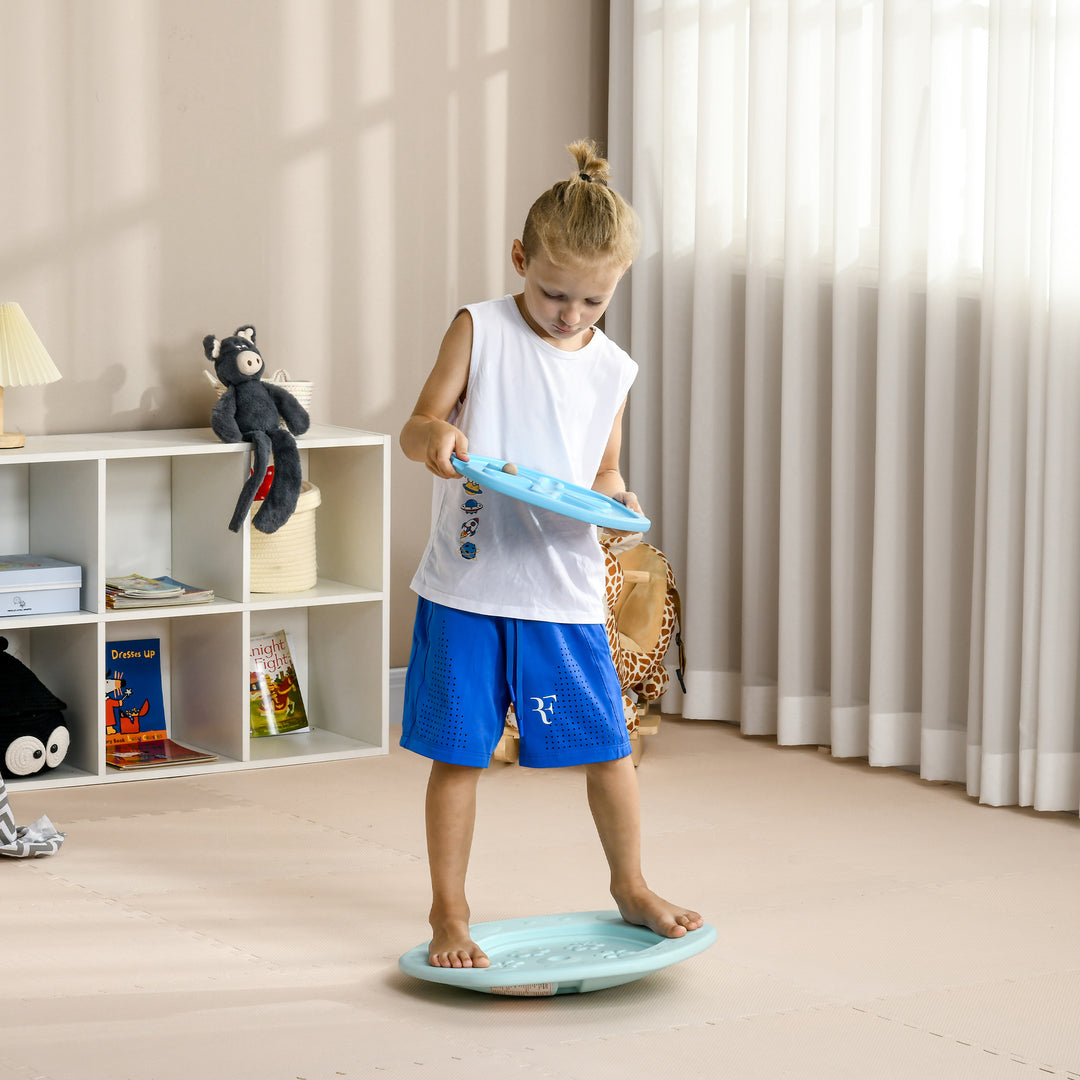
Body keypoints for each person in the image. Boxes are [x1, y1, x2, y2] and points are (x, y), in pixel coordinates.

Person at [399, 139, 703, 968]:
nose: (570, 314)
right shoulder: (482, 327)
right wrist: (441, 437)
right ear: (519, 259)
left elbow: (600, 468)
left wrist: (620, 499)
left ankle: (631, 886)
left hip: (561, 587)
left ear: (615, 288)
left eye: (592, 300)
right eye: (553, 292)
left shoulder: (612, 368)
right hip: (468, 581)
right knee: (459, 756)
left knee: (607, 749)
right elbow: (416, 424)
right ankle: (449, 913)